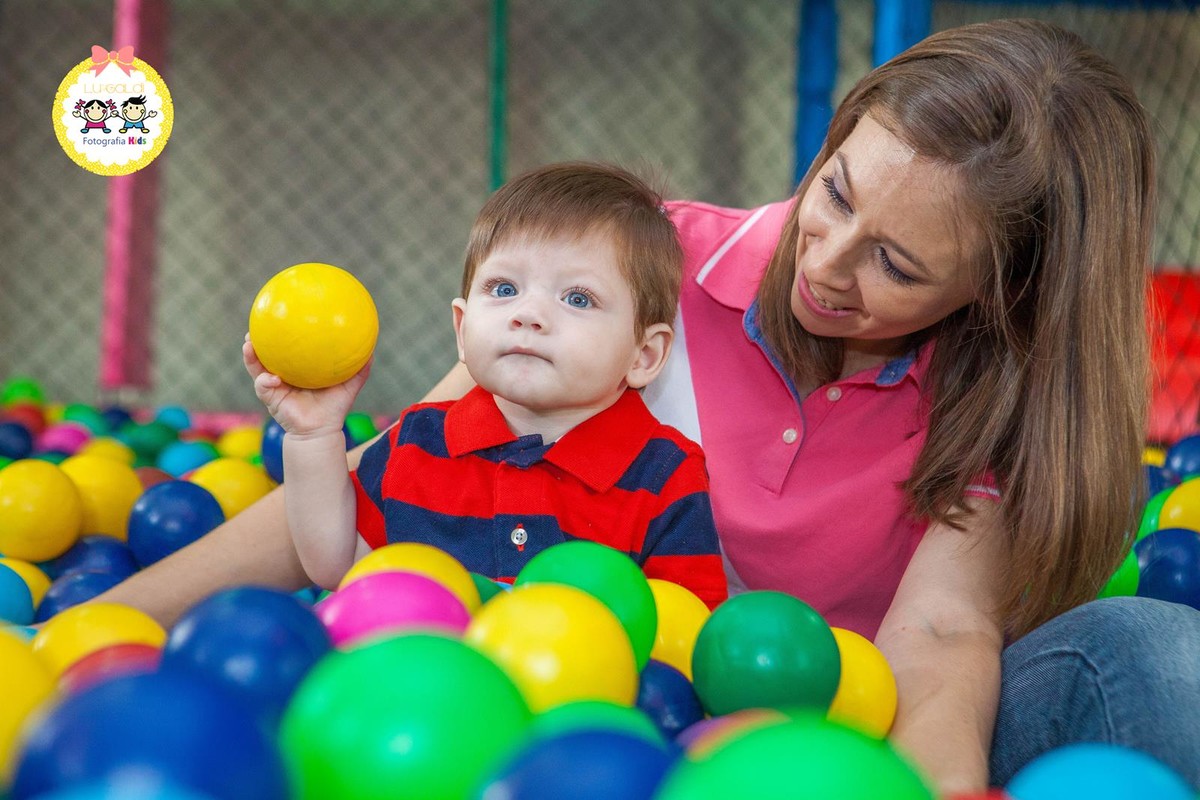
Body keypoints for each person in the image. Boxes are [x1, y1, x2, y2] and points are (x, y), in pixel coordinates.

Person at [95, 19, 1200, 794]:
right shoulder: (632, 278)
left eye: (899, 266)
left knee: (1160, 652)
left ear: (993, 290)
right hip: (577, 701)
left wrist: (892, 785)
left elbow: (945, 638)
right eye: (836, 191)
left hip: (828, 723)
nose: (829, 259)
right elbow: (393, 471)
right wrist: (101, 630)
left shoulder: (990, 393)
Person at [242, 162, 727, 607]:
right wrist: (313, 435)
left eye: (577, 298)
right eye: (504, 289)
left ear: (644, 355)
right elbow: (336, 562)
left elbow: (682, 636)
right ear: (461, 327)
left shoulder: (666, 476)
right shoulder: (418, 443)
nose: (528, 315)